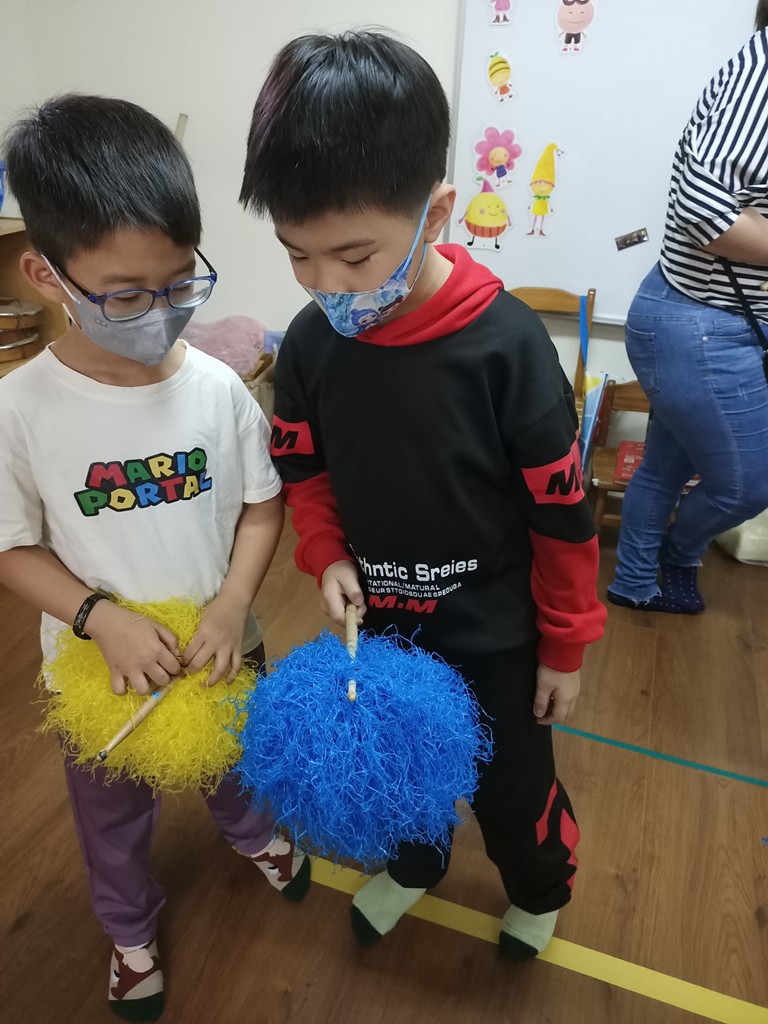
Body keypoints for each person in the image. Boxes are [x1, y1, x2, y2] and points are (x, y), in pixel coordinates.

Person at [239, 32, 606, 960]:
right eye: (297, 256)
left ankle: (539, 887)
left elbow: (563, 517)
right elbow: (306, 472)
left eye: (354, 256)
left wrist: (564, 647)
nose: (326, 286)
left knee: (511, 791)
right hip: (382, 633)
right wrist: (325, 553)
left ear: (436, 211)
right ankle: (415, 865)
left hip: (498, 639)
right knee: (394, 772)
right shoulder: (311, 345)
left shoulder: (508, 347)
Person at [0, 95, 309, 1023]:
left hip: (223, 644)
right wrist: (99, 619)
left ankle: (254, 836)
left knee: (235, 764)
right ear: (45, 275)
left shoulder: (219, 390)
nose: (161, 314)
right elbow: (12, 548)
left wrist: (233, 603)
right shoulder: (20, 410)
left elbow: (262, 506)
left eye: (181, 284)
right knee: (111, 816)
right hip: (99, 671)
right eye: (127, 295)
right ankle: (130, 932)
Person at [608, 4, 768, 614]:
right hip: (701, 325)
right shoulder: (762, 75)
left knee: (664, 467)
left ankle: (634, 582)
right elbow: (704, 212)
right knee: (748, 484)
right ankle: (676, 556)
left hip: (700, 319)